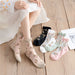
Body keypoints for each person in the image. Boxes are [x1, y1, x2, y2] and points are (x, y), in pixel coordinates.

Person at [0, 0, 49, 68]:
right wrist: (13, 4)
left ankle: (17, 42)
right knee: (24, 10)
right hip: (4, 7)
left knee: (37, 7)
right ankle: (30, 49)